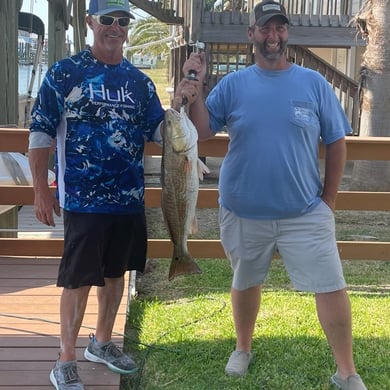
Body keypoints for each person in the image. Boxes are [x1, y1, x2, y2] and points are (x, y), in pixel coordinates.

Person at [181, 1, 368, 389]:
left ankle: (346, 371)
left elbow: (336, 142)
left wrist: (329, 200)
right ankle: (243, 348)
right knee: (246, 279)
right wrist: (195, 92)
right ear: (252, 34)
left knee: (331, 284)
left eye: (280, 28)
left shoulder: (314, 83)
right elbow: (200, 133)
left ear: (287, 33)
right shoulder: (234, 84)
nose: (273, 36)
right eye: (265, 29)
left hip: (305, 210)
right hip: (243, 208)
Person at [28, 0, 198, 389]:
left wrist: (185, 98)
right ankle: (65, 358)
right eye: (108, 20)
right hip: (82, 200)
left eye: (123, 21)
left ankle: (102, 342)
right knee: (78, 280)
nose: (116, 27)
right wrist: (40, 190)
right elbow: (39, 134)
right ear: (90, 23)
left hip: (128, 199)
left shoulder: (139, 83)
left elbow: (162, 132)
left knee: (115, 274)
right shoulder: (65, 73)